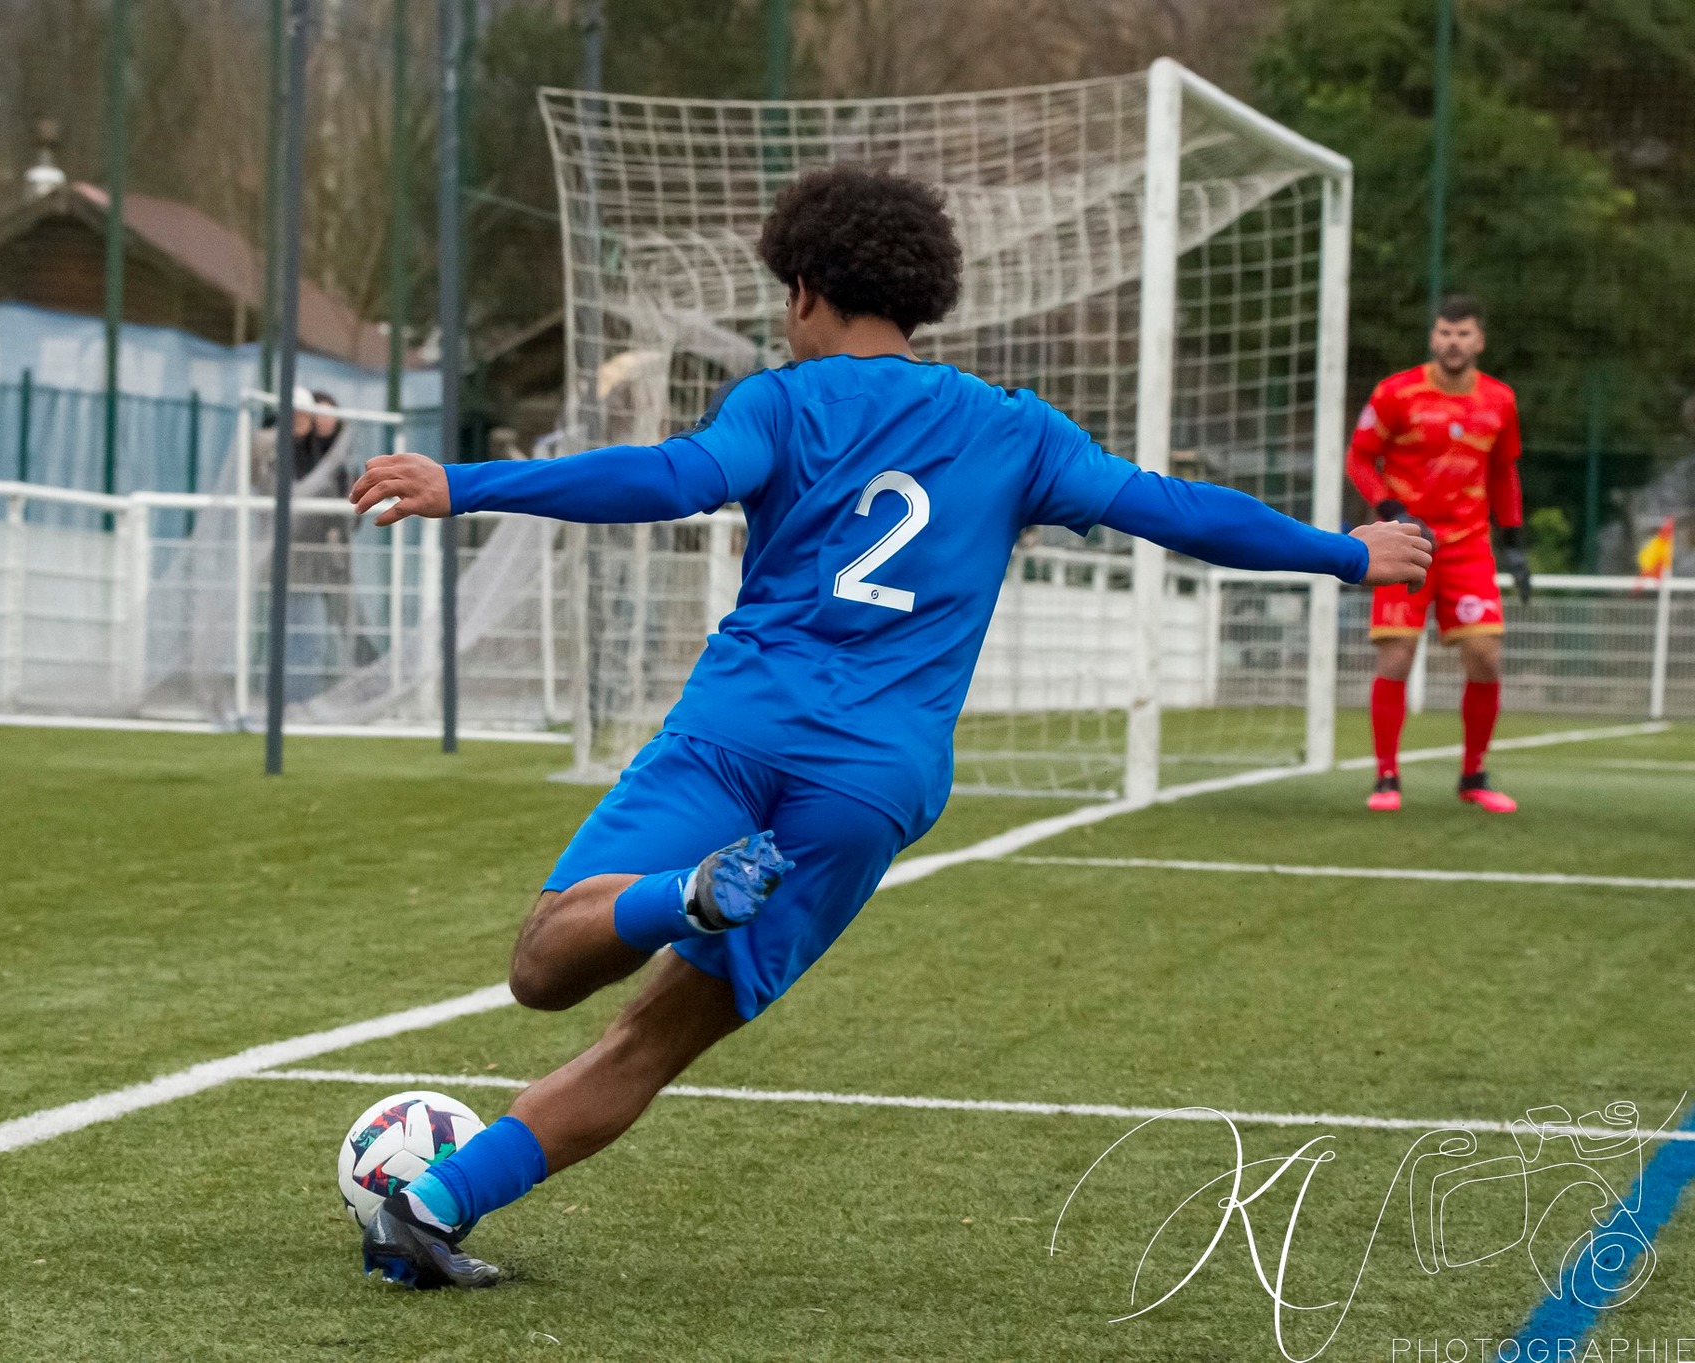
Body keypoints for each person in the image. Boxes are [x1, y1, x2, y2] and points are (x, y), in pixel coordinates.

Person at [345, 166, 1432, 1290]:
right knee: (651, 1042)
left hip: (741, 725)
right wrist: (1346, 553)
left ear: (807, 289)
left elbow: (668, 478)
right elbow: (1174, 511)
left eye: (782, 296)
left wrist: (462, 483)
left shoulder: (780, 402)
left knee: (540, 965)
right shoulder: (1016, 430)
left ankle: (679, 893)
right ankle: (433, 1206)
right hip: (872, 782)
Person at [1345, 294, 1529, 814]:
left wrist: (1514, 544)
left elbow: (1503, 473)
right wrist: (1389, 507)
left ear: (1480, 340)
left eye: (1464, 333)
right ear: (1433, 337)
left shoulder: (1499, 400)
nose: (1454, 342)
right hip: (1407, 542)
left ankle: (1474, 774)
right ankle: (1386, 777)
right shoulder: (1396, 393)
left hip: (1469, 545)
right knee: (1397, 655)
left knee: (1486, 655)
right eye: (1446, 332)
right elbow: (1359, 458)